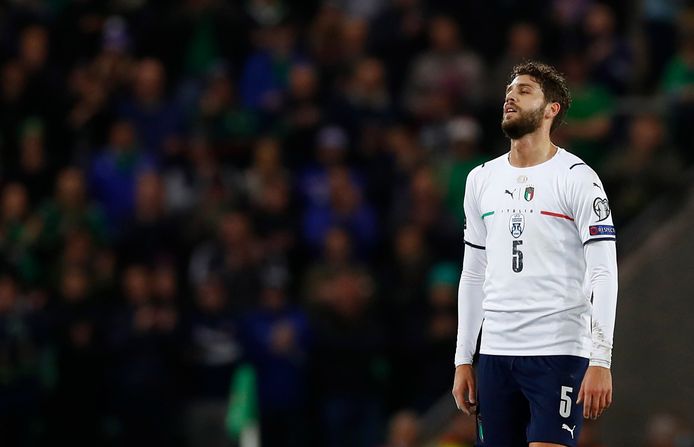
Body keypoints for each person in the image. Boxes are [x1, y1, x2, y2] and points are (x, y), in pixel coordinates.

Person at [451, 61, 618, 447]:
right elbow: (474, 273)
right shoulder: (481, 179)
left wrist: (601, 360)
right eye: (510, 90)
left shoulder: (577, 177)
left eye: (524, 90)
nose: (511, 95)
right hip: (495, 354)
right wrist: (464, 358)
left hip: (558, 351)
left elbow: (604, 272)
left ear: (550, 109)